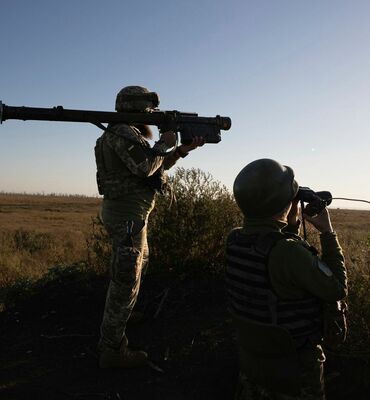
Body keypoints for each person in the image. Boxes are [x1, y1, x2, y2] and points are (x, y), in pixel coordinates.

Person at [94, 85, 204, 368]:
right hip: (126, 217)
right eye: (150, 112)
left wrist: (179, 150)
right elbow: (145, 166)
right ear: (139, 110)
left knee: (134, 268)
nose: (153, 116)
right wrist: (165, 143)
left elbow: (154, 167)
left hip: (132, 214)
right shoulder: (121, 133)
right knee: (126, 278)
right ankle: (112, 350)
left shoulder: (125, 132)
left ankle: (124, 313)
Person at [227, 159, 348, 399]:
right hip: (294, 368)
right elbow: (336, 288)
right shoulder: (288, 252)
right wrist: (327, 232)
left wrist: (289, 225)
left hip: (253, 360)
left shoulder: (234, 240)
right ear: (283, 204)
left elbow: (272, 267)